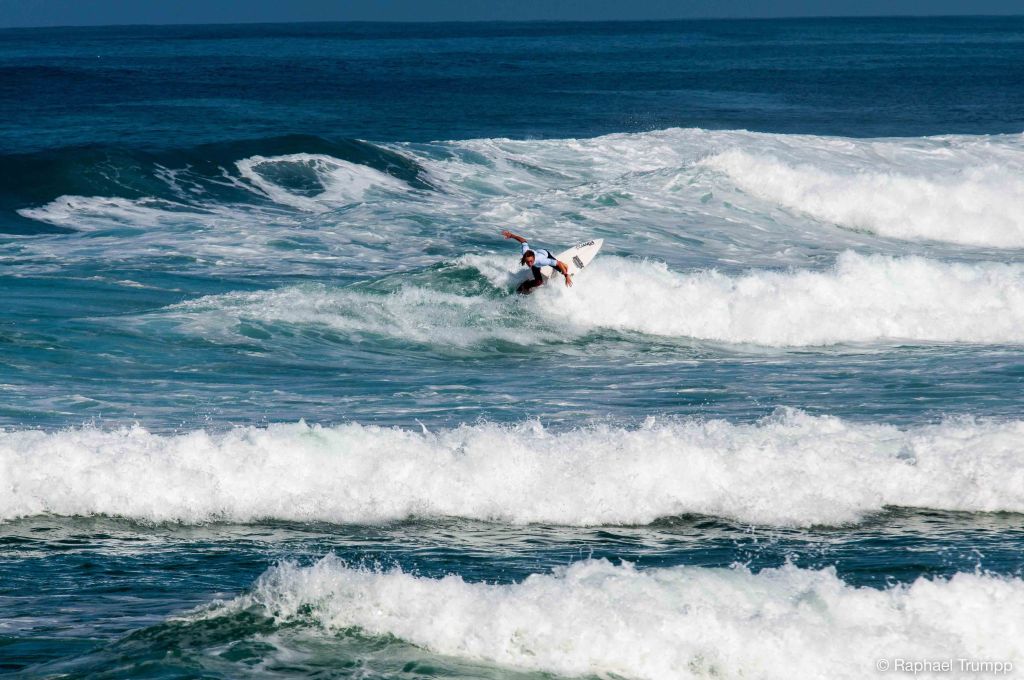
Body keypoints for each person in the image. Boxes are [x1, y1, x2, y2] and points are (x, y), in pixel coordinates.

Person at [501, 230, 573, 294]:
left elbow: (559, 263)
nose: (529, 264)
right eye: (527, 262)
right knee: (539, 282)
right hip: (537, 259)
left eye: (531, 261)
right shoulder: (525, 253)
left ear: (534, 258)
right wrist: (511, 235)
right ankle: (525, 285)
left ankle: (563, 267)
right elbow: (523, 241)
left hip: (545, 254)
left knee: (563, 269)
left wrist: (566, 275)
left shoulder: (542, 261)